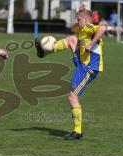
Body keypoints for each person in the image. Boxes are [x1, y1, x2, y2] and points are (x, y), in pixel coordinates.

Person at [35, 9, 105, 140]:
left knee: (72, 96)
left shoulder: (89, 27)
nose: (76, 22)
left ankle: (78, 132)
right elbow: (74, 30)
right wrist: (80, 13)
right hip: (82, 63)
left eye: (78, 20)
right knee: (72, 39)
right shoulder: (81, 29)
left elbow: (102, 29)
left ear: (85, 20)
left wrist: (92, 43)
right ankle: (43, 53)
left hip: (89, 67)